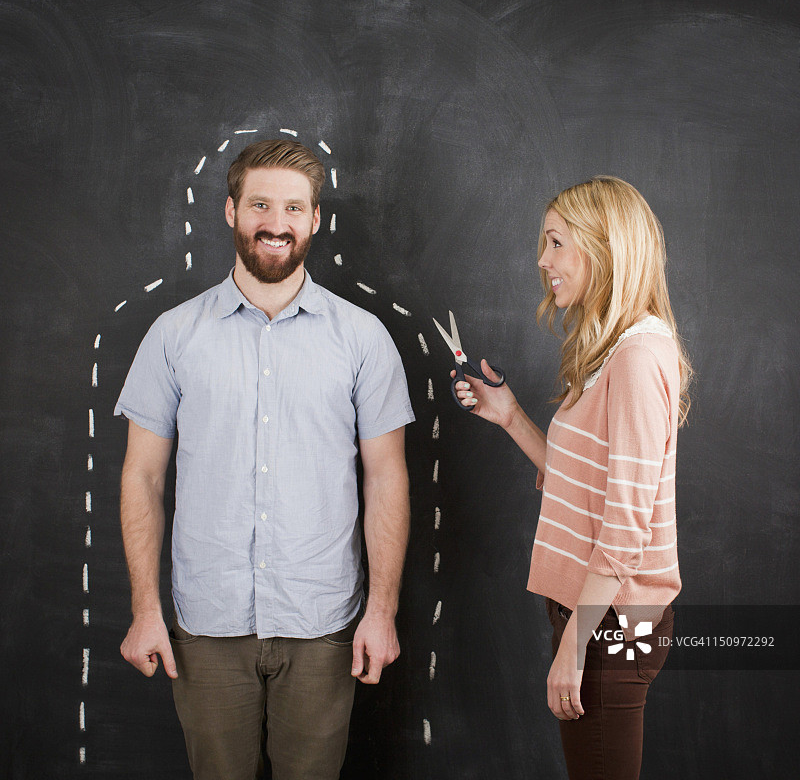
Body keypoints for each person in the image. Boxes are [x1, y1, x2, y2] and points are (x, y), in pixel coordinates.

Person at [115, 139, 415, 780]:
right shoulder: (173, 335)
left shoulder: (363, 339)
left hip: (324, 625)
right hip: (206, 625)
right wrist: (146, 611)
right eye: (259, 204)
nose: (275, 223)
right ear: (230, 211)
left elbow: (386, 475)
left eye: (293, 207)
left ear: (313, 220)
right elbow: (142, 477)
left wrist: (381, 612)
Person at [453, 176, 691, 779]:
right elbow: (589, 484)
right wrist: (508, 416)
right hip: (598, 616)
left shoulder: (637, 359)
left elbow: (626, 523)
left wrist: (574, 647)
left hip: (610, 624)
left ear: (602, 247)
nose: (543, 260)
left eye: (557, 242)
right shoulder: (617, 348)